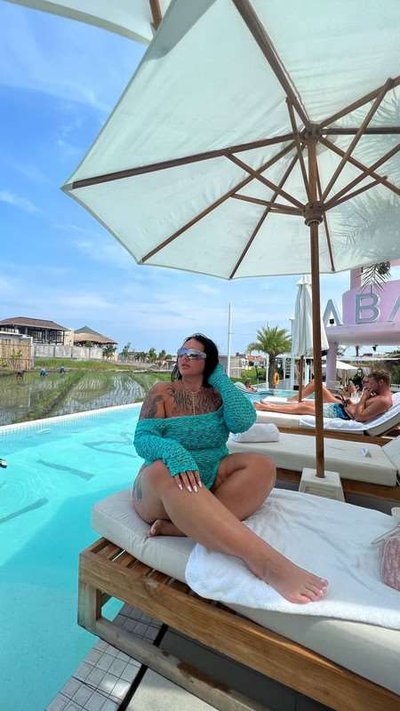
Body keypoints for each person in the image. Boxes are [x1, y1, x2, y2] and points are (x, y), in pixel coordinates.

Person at [133, 333, 328, 604]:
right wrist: (174, 452)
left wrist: (222, 381)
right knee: (163, 470)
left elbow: (243, 422)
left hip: (210, 476)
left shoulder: (218, 394)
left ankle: (182, 527)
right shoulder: (162, 392)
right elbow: (142, 439)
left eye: (194, 355)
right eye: (182, 352)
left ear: (210, 362)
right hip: (164, 484)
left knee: (262, 465)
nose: (184, 358)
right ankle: (264, 560)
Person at [255, 370, 393, 423]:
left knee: (303, 407)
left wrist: (363, 398)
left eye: (371, 383)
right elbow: (361, 409)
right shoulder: (380, 396)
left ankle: (267, 408)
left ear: (381, 382)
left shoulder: (384, 401)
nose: (369, 386)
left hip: (342, 414)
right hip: (342, 408)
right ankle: (271, 405)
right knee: (304, 405)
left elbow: (360, 417)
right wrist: (352, 402)